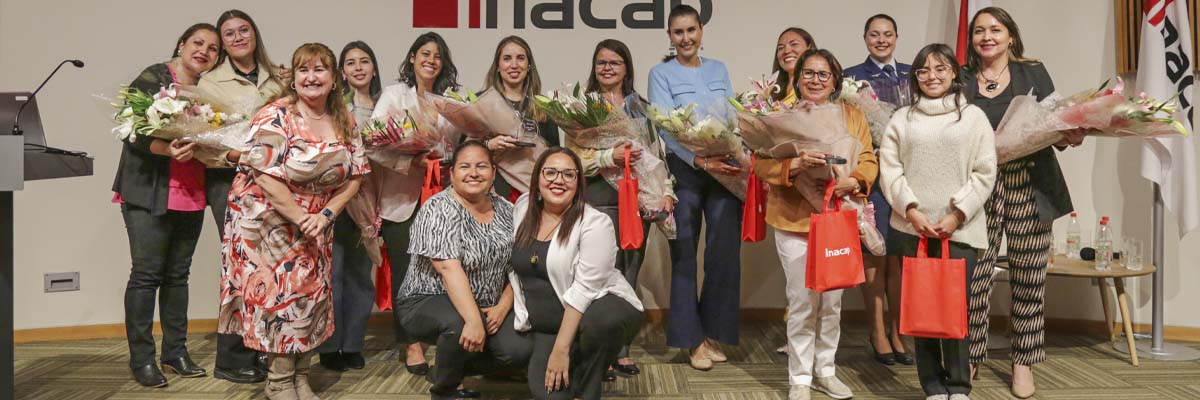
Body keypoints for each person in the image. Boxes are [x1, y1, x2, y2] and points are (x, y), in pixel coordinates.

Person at [221, 42, 369, 400]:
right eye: (303, 70)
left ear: (334, 79)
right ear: (294, 77)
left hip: (316, 222)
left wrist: (326, 215)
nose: (311, 77)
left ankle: (300, 376)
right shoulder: (276, 115)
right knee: (282, 299)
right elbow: (265, 176)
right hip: (268, 221)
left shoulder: (344, 118)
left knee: (311, 298)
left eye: (319, 70)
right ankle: (279, 381)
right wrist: (303, 217)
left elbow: (356, 175)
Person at [962, 7, 1086, 399]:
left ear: (1011, 36)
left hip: (1030, 184)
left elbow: (1054, 125)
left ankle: (1023, 362)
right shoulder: (961, 78)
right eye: (979, 31)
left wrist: (1070, 134)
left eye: (995, 29)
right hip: (978, 187)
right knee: (973, 276)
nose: (987, 37)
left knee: (1029, 276)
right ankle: (969, 355)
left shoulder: (1034, 72)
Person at [752, 48, 877, 400]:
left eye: (823, 74)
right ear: (797, 78)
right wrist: (794, 166)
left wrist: (853, 181)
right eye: (808, 73)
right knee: (802, 303)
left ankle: (826, 371)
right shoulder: (781, 116)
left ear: (835, 80)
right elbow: (760, 164)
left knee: (832, 304)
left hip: (837, 220)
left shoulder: (852, 116)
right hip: (794, 222)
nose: (815, 80)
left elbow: (868, 158)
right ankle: (800, 379)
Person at [879, 43, 997, 400]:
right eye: (924, 70)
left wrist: (957, 214)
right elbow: (890, 170)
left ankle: (959, 386)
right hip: (911, 229)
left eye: (940, 68)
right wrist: (911, 210)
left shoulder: (973, 117)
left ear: (954, 73)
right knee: (922, 308)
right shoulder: (902, 118)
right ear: (915, 77)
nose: (932, 76)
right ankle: (931, 384)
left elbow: (985, 171)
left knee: (955, 309)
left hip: (959, 229)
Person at [113, 22, 219, 388]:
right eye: (198, 43)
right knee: (146, 276)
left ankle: (175, 352)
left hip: (190, 192)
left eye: (213, 48)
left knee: (178, 276)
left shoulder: (208, 92)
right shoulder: (154, 77)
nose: (204, 51)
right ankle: (142, 359)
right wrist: (167, 148)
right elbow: (129, 129)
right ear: (182, 44)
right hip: (148, 191)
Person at [567, 38, 675, 377]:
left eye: (615, 62)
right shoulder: (582, 107)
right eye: (601, 62)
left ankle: (621, 348)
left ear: (626, 68)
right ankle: (595, 350)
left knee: (629, 271)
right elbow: (572, 159)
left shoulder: (640, 107)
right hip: (599, 198)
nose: (607, 68)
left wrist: (666, 192)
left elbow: (658, 155)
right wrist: (606, 157)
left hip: (638, 201)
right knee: (598, 273)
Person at [394, 141, 533, 400]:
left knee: (518, 351)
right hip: (426, 299)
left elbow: (518, 265)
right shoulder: (438, 208)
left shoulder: (507, 209)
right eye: (465, 167)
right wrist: (473, 320)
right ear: (452, 173)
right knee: (458, 326)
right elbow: (448, 268)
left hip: (489, 304)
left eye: (482, 166)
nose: (473, 173)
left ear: (493, 172)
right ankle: (445, 390)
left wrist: (503, 307)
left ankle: (451, 365)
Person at [647, 4, 740, 371]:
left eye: (691, 30)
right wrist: (699, 160)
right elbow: (666, 128)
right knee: (684, 254)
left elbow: (730, 116)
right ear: (670, 37)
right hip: (686, 171)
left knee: (723, 253)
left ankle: (714, 332)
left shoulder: (719, 69)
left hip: (724, 169)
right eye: (678, 32)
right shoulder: (661, 73)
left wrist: (731, 149)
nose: (685, 38)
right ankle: (691, 339)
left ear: (701, 31)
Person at [510, 147, 645, 400]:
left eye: (568, 174)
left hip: (594, 309)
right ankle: (580, 364)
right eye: (550, 172)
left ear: (578, 183)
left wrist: (560, 350)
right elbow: (515, 269)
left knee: (602, 323)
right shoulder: (522, 208)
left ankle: (589, 386)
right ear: (537, 178)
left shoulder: (595, 222)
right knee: (549, 394)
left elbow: (584, 290)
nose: (558, 180)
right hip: (546, 326)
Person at [368, 31, 461, 375]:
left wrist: (445, 161)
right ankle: (410, 343)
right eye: (425, 53)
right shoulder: (395, 95)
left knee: (441, 271)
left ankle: (439, 334)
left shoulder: (450, 101)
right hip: (402, 199)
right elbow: (373, 144)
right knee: (406, 272)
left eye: (437, 55)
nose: (431, 60)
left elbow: (454, 147)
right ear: (412, 58)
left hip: (442, 198)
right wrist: (411, 163)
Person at [200, 9, 286, 384]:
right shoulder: (210, 82)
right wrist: (236, 155)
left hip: (272, 182)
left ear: (255, 33)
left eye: (243, 30)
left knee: (268, 268)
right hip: (230, 180)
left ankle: (260, 347)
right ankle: (231, 357)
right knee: (239, 269)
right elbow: (201, 140)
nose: (238, 37)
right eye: (229, 33)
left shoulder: (276, 77)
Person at [843, 13, 915, 366]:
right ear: (865, 38)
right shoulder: (850, 78)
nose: (882, 40)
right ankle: (877, 332)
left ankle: (899, 331)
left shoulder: (914, 75)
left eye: (888, 34)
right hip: (871, 177)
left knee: (899, 256)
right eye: (875, 34)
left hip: (907, 176)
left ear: (897, 37)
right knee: (873, 253)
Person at [315, 40, 383, 372]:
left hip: (369, 200)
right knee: (332, 275)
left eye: (364, 61)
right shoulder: (332, 106)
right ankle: (329, 346)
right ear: (341, 72)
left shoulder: (387, 106)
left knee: (360, 276)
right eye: (351, 63)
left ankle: (353, 344)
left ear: (374, 67)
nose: (358, 68)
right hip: (334, 199)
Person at [480, 36, 561, 201]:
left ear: (529, 65)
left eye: (520, 58)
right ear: (498, 66)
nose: (514, 65)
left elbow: (554, 155)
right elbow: (463, 150)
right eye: (507, 58)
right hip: (492, 191)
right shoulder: (482, 102)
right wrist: (489, 145)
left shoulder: (543, 106)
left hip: (533, 192)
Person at [770, 27, 817, 104]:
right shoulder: (770, 93)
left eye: (794, 44)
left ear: (810, 48)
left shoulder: (818, 86)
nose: (786, 51)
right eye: (781, 48)